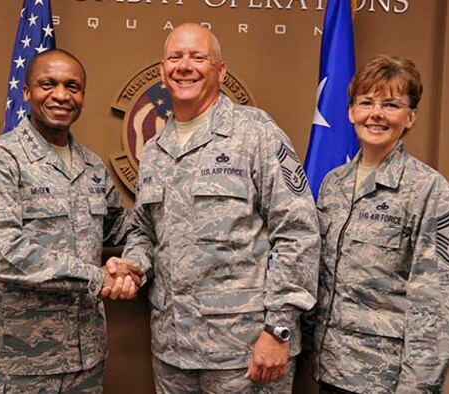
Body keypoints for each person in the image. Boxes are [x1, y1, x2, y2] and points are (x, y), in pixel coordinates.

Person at [114, 23, 320, 393]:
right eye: (175, 57)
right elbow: (146, 231)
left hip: (245, 354)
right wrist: (133, 265)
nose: (184, 65)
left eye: (198, 56)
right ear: (163, 71)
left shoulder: (255, 133)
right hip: (173, 350)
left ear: (221, 70)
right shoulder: (155, 151)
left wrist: (279, 329)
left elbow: (298, 232)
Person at [0, 49, 141, 393]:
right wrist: (97, 276)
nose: (61, 95)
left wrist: (181, 215)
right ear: (26, 92)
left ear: (83, 96)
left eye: (73, 86)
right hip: (15, 364)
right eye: (48, 84)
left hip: (84, 362)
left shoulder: (91, 167)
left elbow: (122, 226)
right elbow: (2, 254)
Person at [311, 55, 449, 393]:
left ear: (410, 117)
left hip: (387, 381)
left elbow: (436, 308)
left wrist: (417, 387)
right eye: (366, 102)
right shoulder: (333, 184)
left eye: (391, 104)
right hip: (330, 370)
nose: (376, 114)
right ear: (351, 112)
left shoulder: (430, 192)